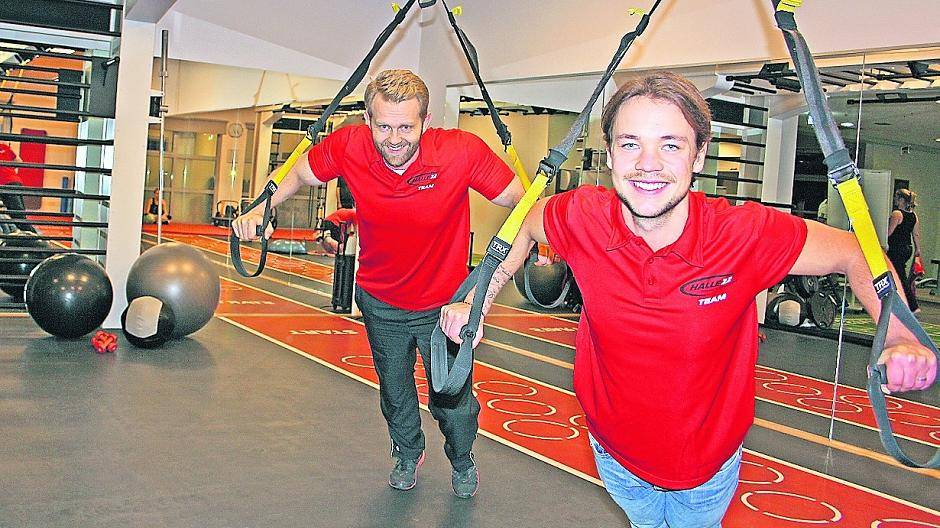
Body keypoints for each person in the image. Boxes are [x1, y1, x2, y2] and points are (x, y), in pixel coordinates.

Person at [440, 72, 936, 526]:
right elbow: (526, 222)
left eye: (670, 145)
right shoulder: (582, 216)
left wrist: (897, 333)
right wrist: (477, 303)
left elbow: (852, 251)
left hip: (705, 466)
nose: (647, 165)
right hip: (612, 451)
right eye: (630, 143)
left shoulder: (743, 234)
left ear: (698, 156)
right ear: (609, 154)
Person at [232, 69, 523, 498]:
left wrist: (481, 290)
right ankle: (408, 452)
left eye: (406, 127)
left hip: (444, 307)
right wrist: (262, 207)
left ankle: (462, 458)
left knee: (453, 402)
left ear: (426, 121)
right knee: (395, 393)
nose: (394, 138)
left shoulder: (460, 152)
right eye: (383, 125)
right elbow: (299, 174)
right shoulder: (350, 145)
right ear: (368, 119)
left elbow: (522, 205)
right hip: (380, 300)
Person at [887, 188, 922, 313]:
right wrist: (918, 249)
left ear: (901, 199)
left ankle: (912, 305)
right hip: (907, 248)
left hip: (896, 248)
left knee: (900, 276)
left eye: (897, 198)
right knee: (897, 274)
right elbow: (916, 234)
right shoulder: (913, 216)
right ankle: (898, 302)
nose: (895, 200)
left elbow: (889, 233)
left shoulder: (897, 214)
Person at [0, 143, 36, 233]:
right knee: (19, 214)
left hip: (5, 184)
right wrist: (7, 169)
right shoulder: (3, 146)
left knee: (18, 216)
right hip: (15, 181)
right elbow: (19, 161)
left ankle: (35, 238)